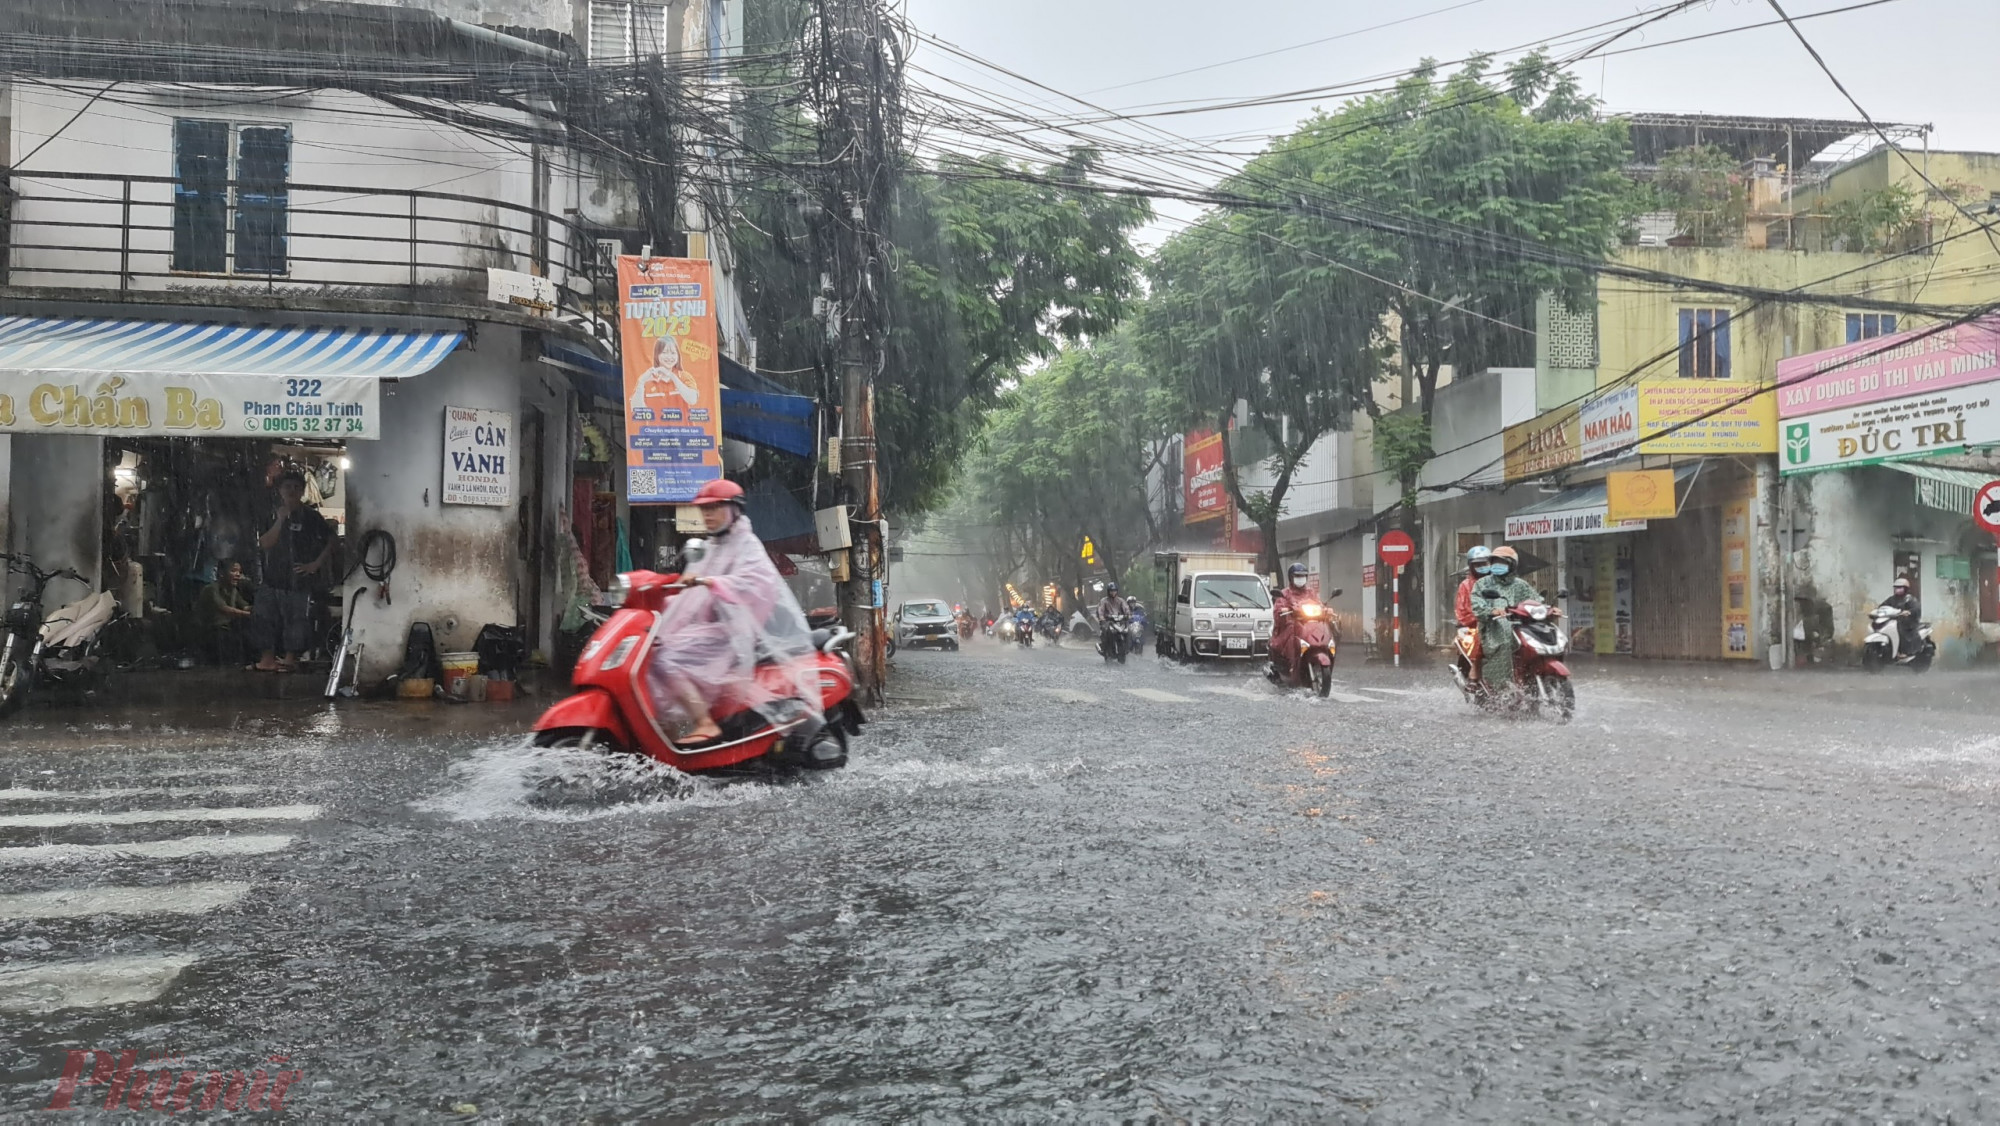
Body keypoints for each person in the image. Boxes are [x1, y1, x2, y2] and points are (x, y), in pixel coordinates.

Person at [645, 479, 818, 744]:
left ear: (734, 510)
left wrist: (713, 582)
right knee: (653, 650)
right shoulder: (713, 545)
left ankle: (705, 723)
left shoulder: (748, 545)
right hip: (713, 629)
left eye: (715, 508)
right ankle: (666, 730)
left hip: (735, 633)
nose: (708, 515)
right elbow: (688, 588)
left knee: (666, 658)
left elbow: (754, 583)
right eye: (705, 510)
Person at [253, 469, 333, 673]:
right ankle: (267, 660)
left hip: (298, 579)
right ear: (279, 490)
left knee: (296, 621)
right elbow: (264, 543)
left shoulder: (311, 517)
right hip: (272, 577)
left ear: (302, 491)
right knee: (264, 619)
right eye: (287, 486)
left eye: (297, 487)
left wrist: (315, 564)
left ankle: (289, 660)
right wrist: (280, 520)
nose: (292, 490)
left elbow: (331, 540)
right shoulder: (270, 513)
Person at [1471, 546, 1539, 691]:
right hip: (1493, 627)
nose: (1497, 565)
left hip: (1520, 625)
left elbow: (1535, 600)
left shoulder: (1521, 585)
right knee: (1505, 642)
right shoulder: (1483, 584)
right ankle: (1501, 687)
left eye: (1502, 562)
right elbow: (1477, 605)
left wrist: (1549, 609)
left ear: (1512, 565)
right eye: (1495, 561)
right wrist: (1492, 611)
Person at [193, 559, 254, 666]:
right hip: (211, 632)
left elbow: (244, 606)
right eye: (234, 571)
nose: (237, 575)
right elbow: (224, 609)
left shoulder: (233, 590)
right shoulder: (211, 589)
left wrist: (257, 609)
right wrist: (248, 614)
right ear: (221, 573)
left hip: (228, 629)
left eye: (239, 572)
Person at [628, 335, 700, 417]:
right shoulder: (646, 379)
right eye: (664, 353)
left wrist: (672, 376)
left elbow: (692, 400)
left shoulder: (685, 377)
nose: (669, 357)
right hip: (654, 430)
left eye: (673, 353)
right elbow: (636, 411)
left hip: (683, 430)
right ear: (657, 355)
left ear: (678, 355)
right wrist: (641, 383)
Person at [1456, 545, 1493, 681]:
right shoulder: (1466, 585)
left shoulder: (1499, 582)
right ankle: (1475, 669)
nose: (1482, 567)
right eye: (1478, 565)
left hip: (1501, 622)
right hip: (1475, 625)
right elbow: (1462, 612)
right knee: (1479, 639)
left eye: (1485, 564)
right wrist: (1484, 615)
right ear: (1471, 566)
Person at [1270, 562, 1316, 670]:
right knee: (1292, 631)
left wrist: (1326, 609)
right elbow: (1278, 609)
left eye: (1303, 576)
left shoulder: (1311, 593)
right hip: (1291, 625)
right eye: (1297, 576)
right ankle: (1292, 664)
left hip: (1310, 626)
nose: (1301, 579)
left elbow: (1318, 604)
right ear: (1291, 578)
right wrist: (1283, 610)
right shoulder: (1285, 593)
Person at [1885, 576, 1921, 659]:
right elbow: (1883, 606)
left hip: (1908, 623)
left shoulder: (1910, 599)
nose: (1897, 589)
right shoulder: (1892, 599)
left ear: (1905, 589)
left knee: (1900, 629)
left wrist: (1909, 612)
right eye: (1896, 588)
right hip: (1894, 621)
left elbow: (1916, 609)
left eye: (1900, 587)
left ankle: (1904, 651)